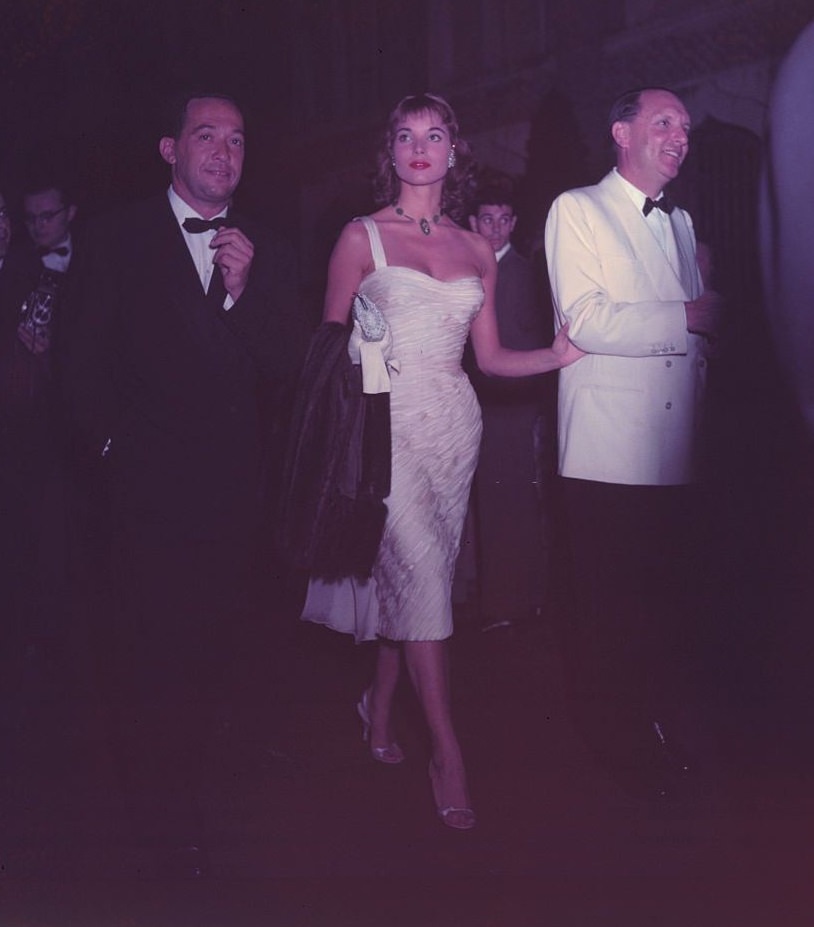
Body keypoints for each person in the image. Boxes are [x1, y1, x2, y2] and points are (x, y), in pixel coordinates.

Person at [300, 93, 582, 830]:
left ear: (454, 153)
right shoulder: (360, 239)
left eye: (434, 135)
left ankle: (380, 703)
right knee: (421, 573)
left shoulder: (476, 248)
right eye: (404, 134)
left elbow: (488, 359)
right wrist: (362, 348)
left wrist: (558, 352)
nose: (419, 146)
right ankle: (448, 751)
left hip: (456, 430)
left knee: (418, 582)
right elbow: (322, 354)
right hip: (383, 429)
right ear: (388, 152)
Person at [63, 91, 302, 875]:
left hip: (234, 501)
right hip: (145, 500)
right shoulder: (114, 237)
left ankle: (194, 789)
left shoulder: (263, 244)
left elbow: (290, 365)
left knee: (211, 655)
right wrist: (109, 454)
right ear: (170, 148)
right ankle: (165, 823)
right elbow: (79, 365)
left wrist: (245, 292)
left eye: (237, 139)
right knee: (152, 660)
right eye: (207, 136)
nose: (224, 153)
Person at [545, 87, 723, 798]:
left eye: (684, 126)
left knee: (661, 604)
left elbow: (700, 339)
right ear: (621, 132)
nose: (679, 136)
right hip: (608, 452)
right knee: (608, 610)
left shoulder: (680, 223)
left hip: (677, 448)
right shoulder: (577, 209)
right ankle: (614, 743)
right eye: (663, 122)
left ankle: (654, 722)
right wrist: (688, 315)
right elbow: (586, 320)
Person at [467, 179, 549, 631]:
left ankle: (506, 603)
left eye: (503, 220)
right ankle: (515, 594)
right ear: (472, 222)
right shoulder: (473, 269)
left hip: (510, 405)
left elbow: (525, 342)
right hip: (482, 403)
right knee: (496, 501)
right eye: (486, 219)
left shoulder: (517, 272)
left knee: (507, 502)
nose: (495, 229)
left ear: (514, 224)